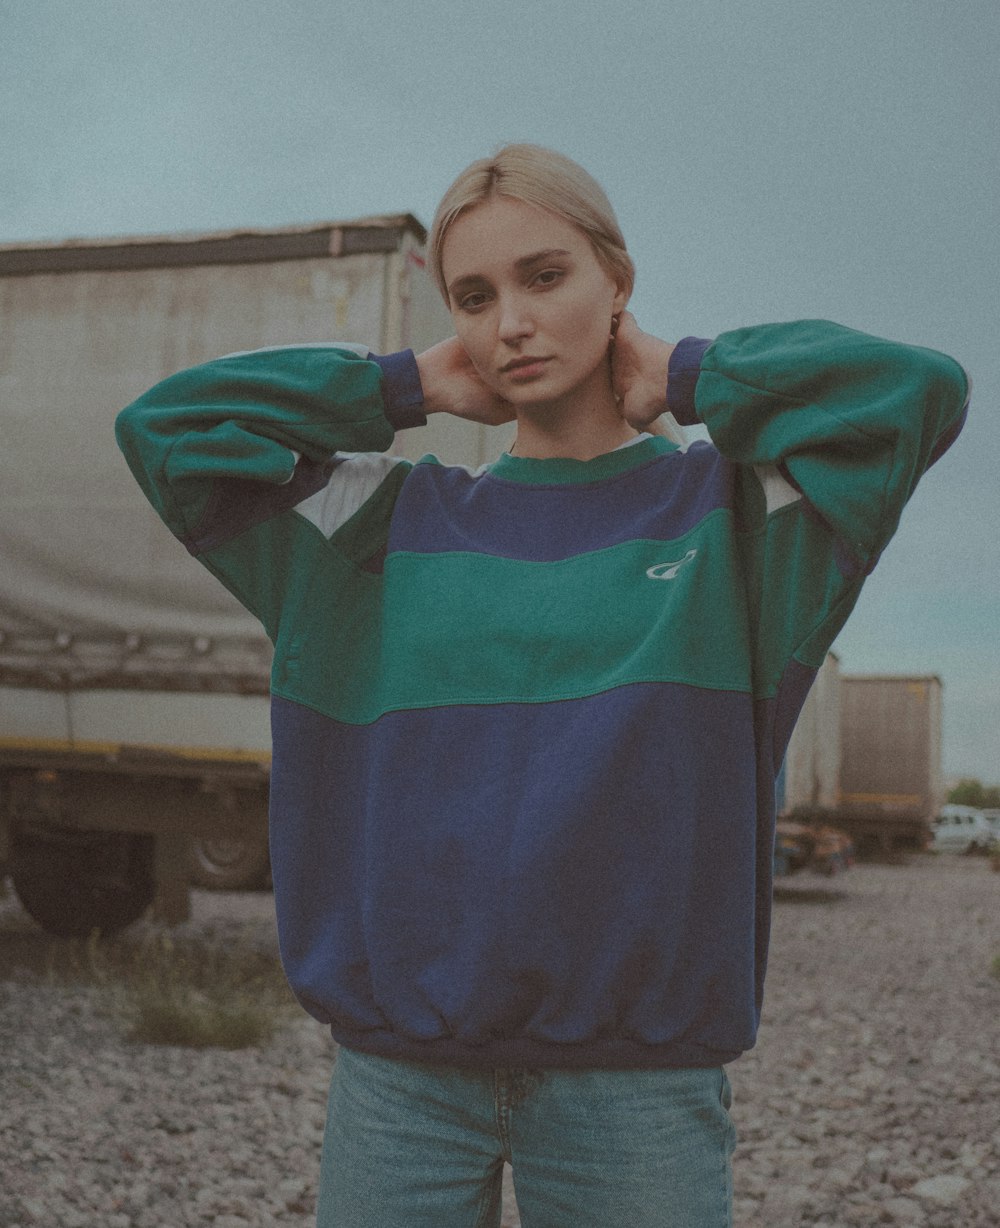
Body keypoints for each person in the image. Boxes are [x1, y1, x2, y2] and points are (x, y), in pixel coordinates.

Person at [116, 144, 969, 1227]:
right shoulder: (376, 528)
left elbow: (916, 392)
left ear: (618, 279)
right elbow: (166, 433)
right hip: (401, 1086)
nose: (510, 321)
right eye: (475, 296)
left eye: (545, 276)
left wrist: (689, 375)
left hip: (637, 1089)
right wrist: (405, 385)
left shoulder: (738, 522)